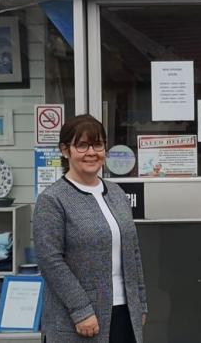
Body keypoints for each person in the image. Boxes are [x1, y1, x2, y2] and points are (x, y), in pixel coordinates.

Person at [34, 114, 146, 342]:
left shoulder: (116, 193)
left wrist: (140, 302)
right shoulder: (53, 199)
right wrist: (81, 310)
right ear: (65, 150)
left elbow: (133, 252)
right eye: (82, 145)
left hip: (124, 312)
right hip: (80, 319)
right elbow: (51, 261)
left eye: (98, 144)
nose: (91, 152)